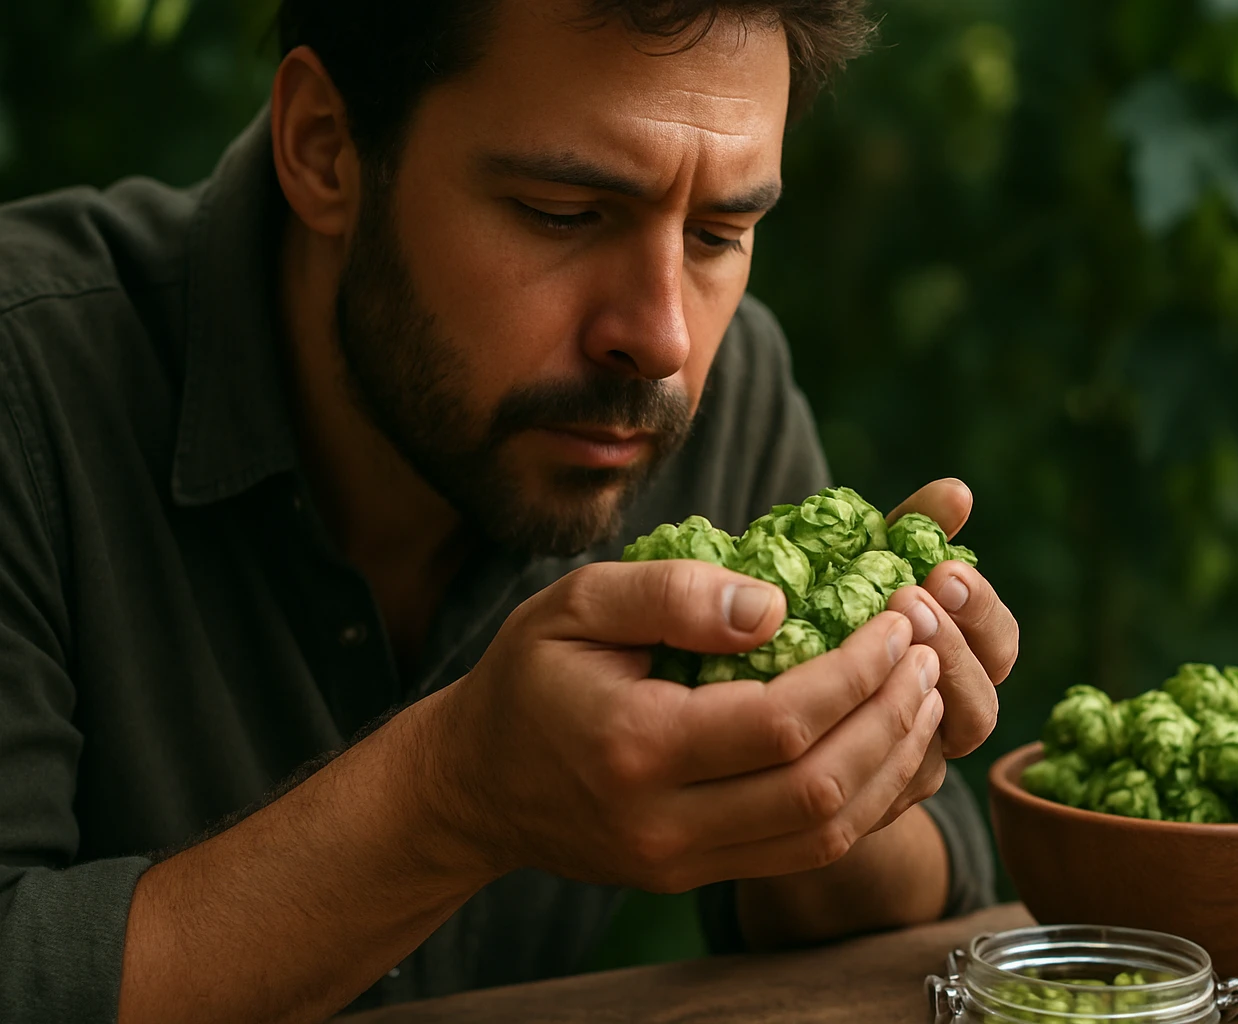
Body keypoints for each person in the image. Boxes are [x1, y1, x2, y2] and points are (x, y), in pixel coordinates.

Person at [0, 2, 1019, 1021]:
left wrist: (844, 758)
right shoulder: (30, 386)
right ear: (324, 149)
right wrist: (454, 795)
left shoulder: (725, 388)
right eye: (564, 213)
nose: (662, 338)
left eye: (720, 233)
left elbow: (923, 926)